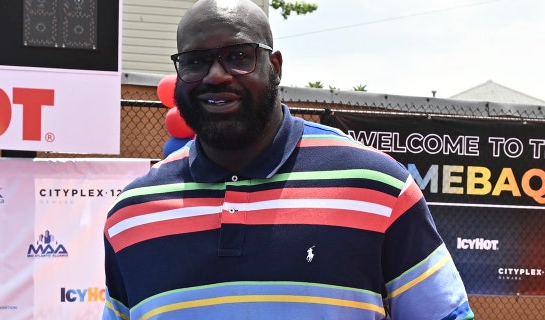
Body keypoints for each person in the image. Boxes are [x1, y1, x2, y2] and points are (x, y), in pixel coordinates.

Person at [103, 0, 474, 319]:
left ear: (275, 67)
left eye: (238, 56)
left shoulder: (377, 188)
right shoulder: (132, 213)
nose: (215, 75)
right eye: (196, 61)